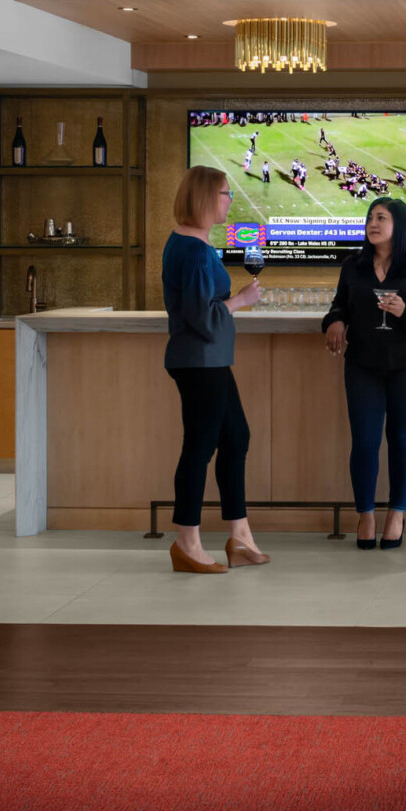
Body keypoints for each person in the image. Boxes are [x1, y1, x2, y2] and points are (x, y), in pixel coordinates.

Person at [322, 198, 406, 550]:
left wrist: (405, 311)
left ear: (400, 224)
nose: (372, 223)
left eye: (381, 217)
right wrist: (334, 320)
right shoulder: (354, 266)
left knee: (402, 438)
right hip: (363, 364)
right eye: (370, 217)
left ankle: (396, 514)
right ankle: (365, 514)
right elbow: (340, 304)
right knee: (364, 440)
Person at [161, 166, 267, 573]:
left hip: (211, 360)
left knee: (236, 437)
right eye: (225, 194)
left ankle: (239, 536)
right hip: (199, 361)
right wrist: (241, 300)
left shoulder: (195, 247)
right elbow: (203, 319)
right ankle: (186, 542)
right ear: (206, 198)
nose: (230, 201)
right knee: (200, 448)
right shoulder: (191, 252)